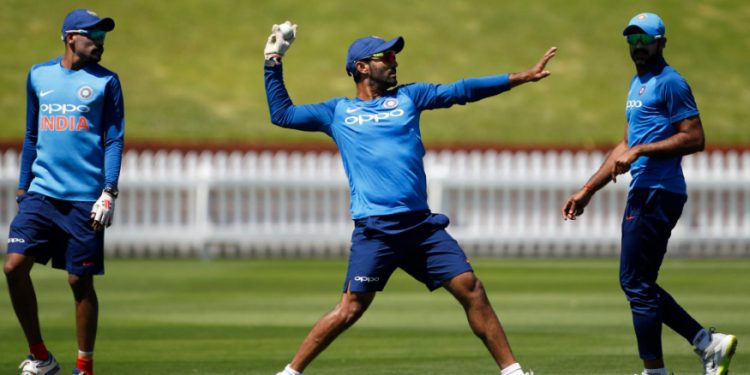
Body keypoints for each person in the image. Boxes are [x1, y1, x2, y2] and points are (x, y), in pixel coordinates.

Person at [264, 21, 555, 375]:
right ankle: (290, 372)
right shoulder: (337, 111)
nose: (394, 61)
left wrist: (519, 78)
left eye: (394, 55)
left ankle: (512, 372)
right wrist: (273, 59)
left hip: (421, 227)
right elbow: (282, 115)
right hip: (376, 230)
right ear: (361, 67)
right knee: (351, 308)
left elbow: (460, 90)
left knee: (471, 288)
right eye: (385, 56)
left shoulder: (409, 97)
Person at [561, 12, 737, 375]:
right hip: (645, 190)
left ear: (662, 43)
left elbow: (694, 137)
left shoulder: (671, 82)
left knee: (635, 283)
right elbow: (626, 143)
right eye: (632, 40)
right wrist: (588, 189)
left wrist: (642, 151)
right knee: (639, 282)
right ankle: (707, 343)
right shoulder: (637, 83)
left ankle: (658, 369)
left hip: (659, 191)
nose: (638, 47)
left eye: (645, 40)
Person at [4, 8, 124, 375]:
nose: (101, 43)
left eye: (104, 37)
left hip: (85, 197)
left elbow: (114, 139)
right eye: (94, 36)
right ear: (71, 37)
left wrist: (108, 192)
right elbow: (31, 135)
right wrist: (24, 187)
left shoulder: (107, 82)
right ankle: (40, 356)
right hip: (41, 194)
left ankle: (83, 367)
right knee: (13, 268)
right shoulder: (39, 75)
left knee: (78, 280)